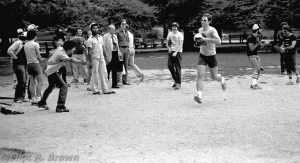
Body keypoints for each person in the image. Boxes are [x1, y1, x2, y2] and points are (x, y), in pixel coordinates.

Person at [37, 40, 87, 112]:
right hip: (52, 71)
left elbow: (52, 53)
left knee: (51, 86)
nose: (74, 50)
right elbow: (71, 59)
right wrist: (80, 62)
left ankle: (42, 102)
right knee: (64, 87)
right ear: (69, 48)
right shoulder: (62, 54)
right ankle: (60, 106)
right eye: (73, 48)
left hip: (49, 69)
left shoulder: (60, 48)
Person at [193, 13, 226, 104]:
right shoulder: (199, 30)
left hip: (211, 56)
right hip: (202, 55)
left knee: (214, 77)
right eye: (202, 20)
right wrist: (198, 43)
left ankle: (222, 80)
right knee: (200, 75)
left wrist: (205, 39)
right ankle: (199, 96)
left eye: (205, 20)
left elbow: (219, 41)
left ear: (209, 21)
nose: (202, 22)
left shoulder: (212, 30)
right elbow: (202, 42)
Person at [86, 23, 115, 95]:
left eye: (96, 28)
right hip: (94, 58)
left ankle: (106, 89)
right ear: (91, 30)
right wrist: (90, 61)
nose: (95, 29)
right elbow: (89, 51)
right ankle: (95, 90)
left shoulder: (100, 37)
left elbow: (103, 47)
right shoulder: (90, 40)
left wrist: (106, 57)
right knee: (95, 73)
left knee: (104, 73)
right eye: (94, 28)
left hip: (101, 57)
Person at [7, 30, 28, 103]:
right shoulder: (18, 43)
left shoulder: (25, 43)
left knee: (24, 81)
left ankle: (22, 97)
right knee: (21, 80)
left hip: (24, 64)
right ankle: (18, 98)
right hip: (18, 64)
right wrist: (15, 57)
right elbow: (9, 51)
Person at [24, 29, 44, 105]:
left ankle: (33, 98)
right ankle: (38, 97)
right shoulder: (35, 44)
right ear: (35, 36)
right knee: (40, 82)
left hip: (28, 64)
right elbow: (38, 55)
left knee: (32, 82)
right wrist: (42, 60)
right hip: (35, 63)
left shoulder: (25, 44)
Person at [103, 24, 123, 88]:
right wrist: (105, 55)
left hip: (115, 53)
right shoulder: (105, 36)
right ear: (109, 29)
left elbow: (117, 45)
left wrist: (119, 53)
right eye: (112, 29)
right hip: (109, 54)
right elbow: (104, 46)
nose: (114, 30)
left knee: (115, 69)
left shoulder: (115, 36)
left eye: (114, 28)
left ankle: (114, 84)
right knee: (108, 70)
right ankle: (106, 84)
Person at [166, 22, 184, 90]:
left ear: (177, 27)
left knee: (177, 68)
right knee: (170, 66)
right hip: (171, 51)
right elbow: (167, 43)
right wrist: (169, 49)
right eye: (173, 27)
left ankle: (178, 84)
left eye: (175, 27)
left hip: (178, 52)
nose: (174, 28)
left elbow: (181, 45)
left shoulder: (180, 35)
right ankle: (175, 80)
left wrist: (176, 52)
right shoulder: (170, 34)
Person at [246, 24, 264, 90]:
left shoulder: (258, 37)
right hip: (251, 55)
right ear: (257, 30)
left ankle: (254, 84)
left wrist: (263, 44)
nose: (261, 30)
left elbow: (259, 47)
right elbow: (251, 48)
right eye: (260, 29)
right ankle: (253, 85)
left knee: (259, 70)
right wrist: (257, 43)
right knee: (256, 69)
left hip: (256, 54)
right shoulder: (250, 38)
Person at [116, 19, 131, 85]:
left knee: (126, 65)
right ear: (120, 25)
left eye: (125, 24)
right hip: (121, 49)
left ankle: (125, 80)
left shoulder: (127, 32)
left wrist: (129, 48)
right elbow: (116, 42)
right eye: (122, 24)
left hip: (127, 49)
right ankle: (119, 81)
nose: (124, 25)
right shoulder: (117, 32)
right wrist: (118, 50)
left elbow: (128, 40)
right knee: (119, 65)